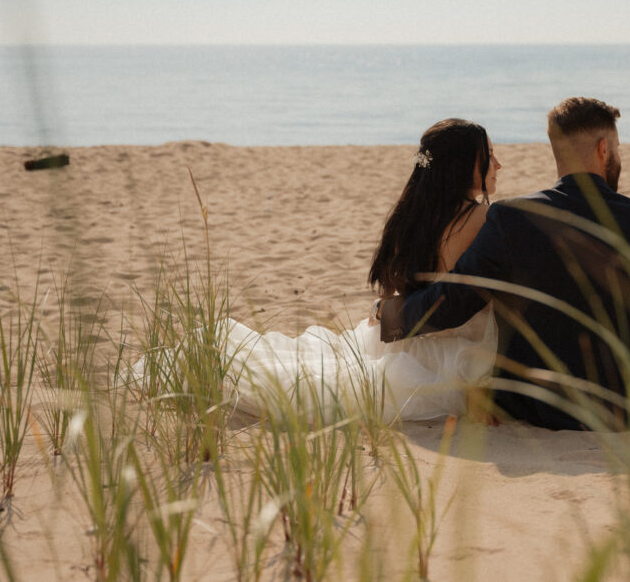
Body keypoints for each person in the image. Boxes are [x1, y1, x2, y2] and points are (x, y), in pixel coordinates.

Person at [131, 119, 503, 423]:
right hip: (452, 350)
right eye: (489, 156)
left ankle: (206, 367)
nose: (499, 164)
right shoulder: (480, 218)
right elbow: (456, 306)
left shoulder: (417, 216)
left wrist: (385, 312)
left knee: (318, 370)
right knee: (325, 388)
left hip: (404, 337)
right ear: (461, 165)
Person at [378, 97, 630, 431]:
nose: (617, 156)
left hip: (539, 405)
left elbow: (453, 302)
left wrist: (389, 313)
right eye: (617, 148)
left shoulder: (511, 218)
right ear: (603, 149)